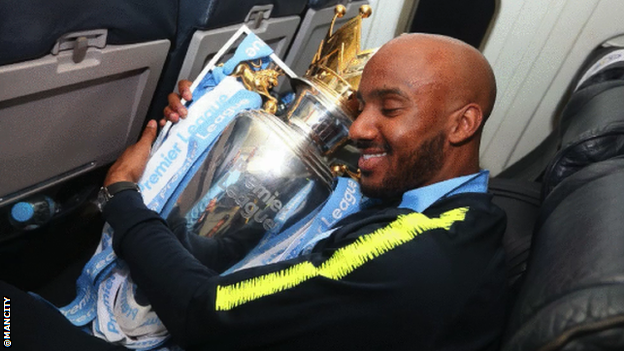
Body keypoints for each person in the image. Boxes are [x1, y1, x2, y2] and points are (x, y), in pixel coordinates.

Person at [1, 33, 506, 351]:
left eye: (389, 110)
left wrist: (123, 196)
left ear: (462, 124)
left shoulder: (413, 250)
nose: (357, 131)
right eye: (361, 109)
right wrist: (200, 134)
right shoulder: (457, 217)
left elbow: (208, 312)